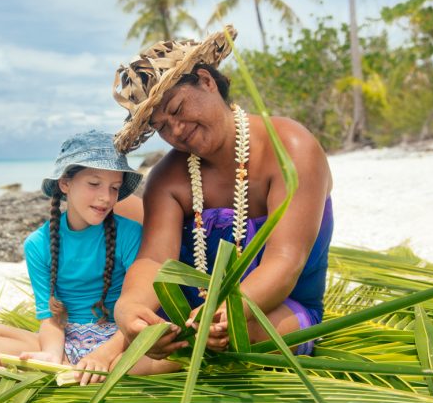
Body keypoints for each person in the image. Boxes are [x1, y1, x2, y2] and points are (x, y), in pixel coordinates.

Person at [111, 26, 334, 358]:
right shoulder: (167, 179)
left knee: (244, 339)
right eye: (161, 127)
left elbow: (285, 260)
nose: (176, 131)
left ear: (206, 81)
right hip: (192, 318)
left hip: (279, 310)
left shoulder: (290, 147)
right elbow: (155, 259)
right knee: (142, 346)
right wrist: (129, 308)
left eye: (176, 109)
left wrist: (232, 310)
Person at [0, 130, 177, 384]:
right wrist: (51, 354)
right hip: (66, 342)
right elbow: (50, 318)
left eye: (114, 188)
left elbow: (140, 309)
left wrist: (104, 354)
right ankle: (68, 367)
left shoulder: (129, 234)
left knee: (171, 356)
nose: (105, 197)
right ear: (65, 183)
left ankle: (96, 369)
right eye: (94, 184)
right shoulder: (38, 245)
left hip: (122, 339)